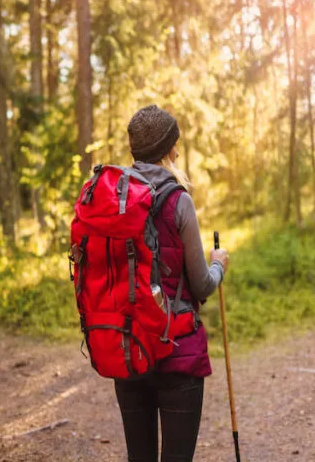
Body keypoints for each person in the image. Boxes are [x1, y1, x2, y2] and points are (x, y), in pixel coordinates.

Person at [115, 105, 230, 462]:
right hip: (176, 351)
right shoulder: (179, 201)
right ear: (166, 149)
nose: (178, 151)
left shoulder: (115, 200)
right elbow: (200, 286)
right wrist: (219, 266)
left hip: (129, 349)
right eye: (174, 144)